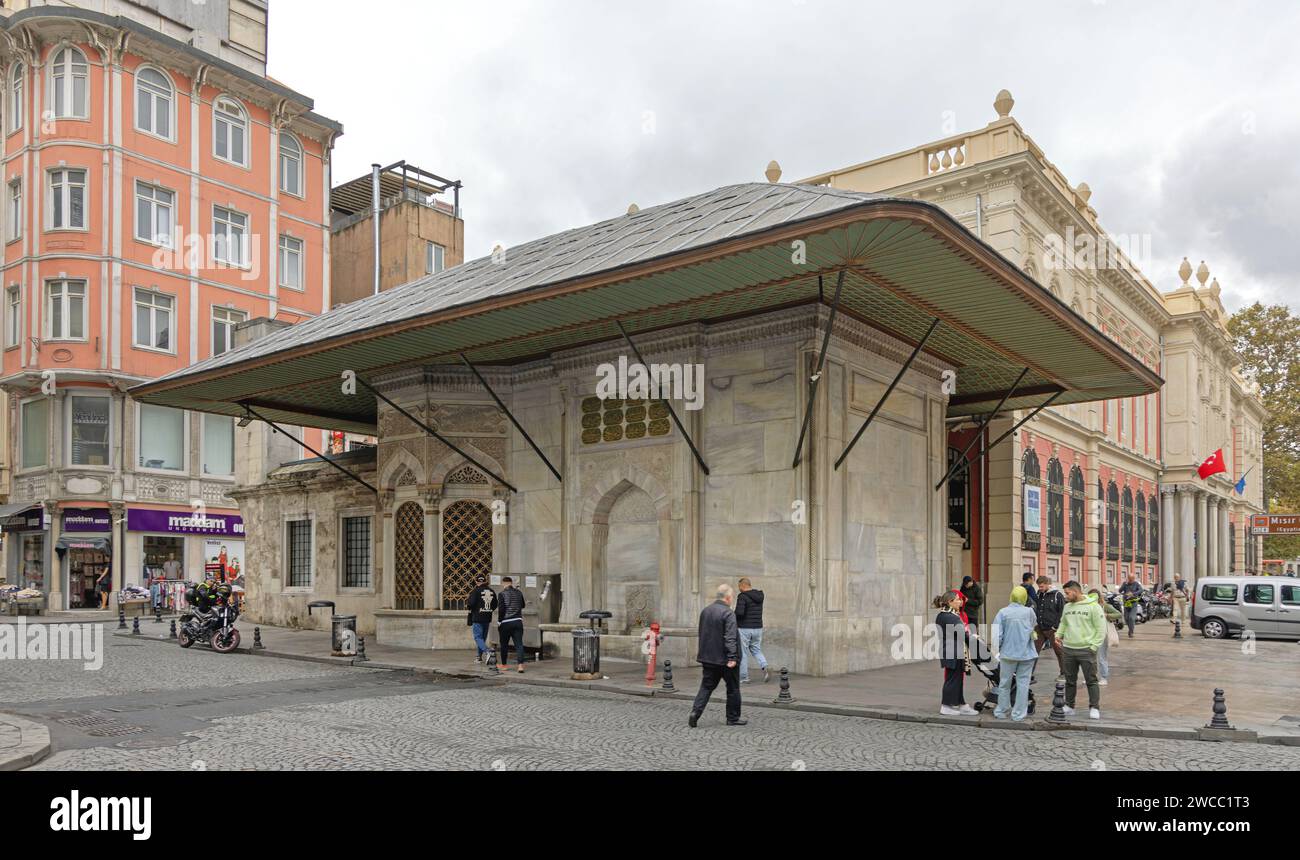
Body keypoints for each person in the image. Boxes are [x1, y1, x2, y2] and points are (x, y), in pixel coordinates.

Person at [689, 584, 745, 727]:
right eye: (732, 597)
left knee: (706, 687)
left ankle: (695, 712)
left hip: (708, 658)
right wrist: (732, 657)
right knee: (733, 689)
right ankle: (732, 718)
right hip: (726, 660)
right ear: (727, 598)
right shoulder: (728, 613)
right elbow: (730, 636)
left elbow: (703, 634)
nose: (732, 599)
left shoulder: (705, 611)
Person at [1057, 580, 1106, 719]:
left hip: (1087, 650)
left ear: (1076, 591)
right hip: (1068, 649)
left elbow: (1101, 629)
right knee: (1070, 680)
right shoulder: (1067, 607)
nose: (1065, 596)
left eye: (1067, 593)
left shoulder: (1093, 607)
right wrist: (1058, 635)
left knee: (1091, 680)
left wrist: (1094, 646)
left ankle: (1094, 708)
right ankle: (1069, 705)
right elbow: (1063, 623)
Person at [991, 586, 1037, 721]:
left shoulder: (1002, 612)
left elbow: (996, 635)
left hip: (1008, 653)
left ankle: (1002, 710)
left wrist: (996, 651)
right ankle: (1018, 714)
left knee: (1004, 683)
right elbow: (1033, 626)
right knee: (1023, 683)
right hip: (1027, 653)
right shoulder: (1029, 612)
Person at [934, 590, 977, 716]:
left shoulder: (947, 615)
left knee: (957, 679)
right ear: (950, 602)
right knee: (952, 679)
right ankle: (946, 705)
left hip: (954, 650)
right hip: (953, 651)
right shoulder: (950, 617)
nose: (960, 601)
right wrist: (974, 638)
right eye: (958, 599)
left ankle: (961, 703)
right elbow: (963, 634)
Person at [735, 577, 769, 684]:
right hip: (757, 627)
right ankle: (765, 666)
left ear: (743, 585)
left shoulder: (742, 596)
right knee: (756, 649)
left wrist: (733, 615)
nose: (739, 589)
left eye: (739, 586)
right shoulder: (760, 596)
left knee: (743, 652)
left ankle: (744, 677)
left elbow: (740, 613)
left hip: (745, 628)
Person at [1032, 575, 1065, 674]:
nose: (1040, 589)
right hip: (1040, 628)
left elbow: (1062, 612)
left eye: (1041, 586)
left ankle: (1064, 673)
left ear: (1047, 584)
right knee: (1033, 652)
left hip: (1053, 629)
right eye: (1039, 586)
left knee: (1059, 652)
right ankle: (1028, 674)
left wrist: (1055, 627)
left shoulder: (1057, 595)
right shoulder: (1039, 594)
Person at [1089, 587, 1121, 686]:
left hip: (1102, 635)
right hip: (1090, 635)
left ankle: (1104, 677)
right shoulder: (1088, 607)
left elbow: (1118, 614)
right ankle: (1090, 676)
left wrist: (1107, 615)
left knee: (1101, 657)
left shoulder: (1105, 606)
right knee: (1090, 657)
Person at [496, 576, 526, 672]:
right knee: (519, 644)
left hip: (506, 622)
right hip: (518, 621)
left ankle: (504, 665)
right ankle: (520, 666)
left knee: (504, 644)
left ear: (503, 583)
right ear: (511, 583)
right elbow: (523, 605)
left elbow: (501, 609)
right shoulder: (519, 592)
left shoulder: (501, 594)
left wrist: (499, 621)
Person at [465, 575, 496, 663]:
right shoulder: (491, 591)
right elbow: (495, 604)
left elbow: (471, 604)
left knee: (478, 637)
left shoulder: (475, 591)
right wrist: (488, 610)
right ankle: (479, 657)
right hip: (487, 617)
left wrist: (468, 603)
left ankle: (488, 652)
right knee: (482, 638)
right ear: (485, 581)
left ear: (476, 581)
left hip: (478, 617)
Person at [1119, 571, 1142, 638]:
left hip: (1133, 603)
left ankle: (1131, 632)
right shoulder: (1125, 583)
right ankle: (1130, 629)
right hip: (1126, 603)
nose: (1131, 580)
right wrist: (1124, 585)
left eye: (1132, 579)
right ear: (1128, 578)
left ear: (1134, 579)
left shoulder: (1136, 584)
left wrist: (1133, 593)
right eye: (1129, 579)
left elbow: (1141, 590)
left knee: (1131, 618)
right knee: (1126, 618)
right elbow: (1120, 591)